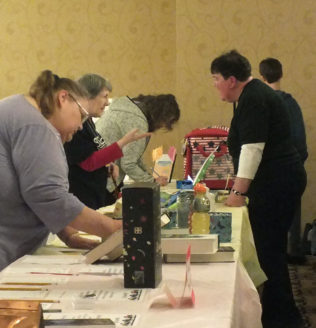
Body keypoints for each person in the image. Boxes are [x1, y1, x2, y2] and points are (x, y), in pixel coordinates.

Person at [210, 50, 306, 328]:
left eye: (215, 79)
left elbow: (253, 149)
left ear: (230, 79)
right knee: (269, 250)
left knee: (268, 250)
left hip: (278, 183)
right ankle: (279, 315)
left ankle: (283, 318)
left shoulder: (254, 97)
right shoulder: (250, 96)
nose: (214, 84)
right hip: (278, 181)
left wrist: (238, 193)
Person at [0, 70, 123, 271]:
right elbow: (48, 195)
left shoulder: (17, 109)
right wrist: (112, 229)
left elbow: (34, 190)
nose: (81, 127)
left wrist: (67, 233)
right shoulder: (36, 125)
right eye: (82, 115)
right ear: (63, 98)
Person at [64, 74, 151, 209]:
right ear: (88, 95)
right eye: (104, 96)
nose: (108, 102)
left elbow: (95, 149)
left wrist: (109, 163)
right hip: (82, 197)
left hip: (94, 194)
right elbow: (89, 163)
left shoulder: (87, 120)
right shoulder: (76, 124)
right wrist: (123, 142)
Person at [259, 58, 308, 264]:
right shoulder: (292, 104)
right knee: (292, 211)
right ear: (281, 74)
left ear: (262, 77)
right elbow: (300, 141)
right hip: (293, 168)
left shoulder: (262, 104)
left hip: (269, 172)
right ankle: (293, 249)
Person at [95, 94, 180, 192]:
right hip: (104, 179)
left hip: (95, 173)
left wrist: (149, 177)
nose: (162, 126)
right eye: (166, 123)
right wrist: (152, 181)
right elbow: (128, 164)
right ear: (161, 116)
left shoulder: (128, 110)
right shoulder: (138, 122)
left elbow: (134, 156)